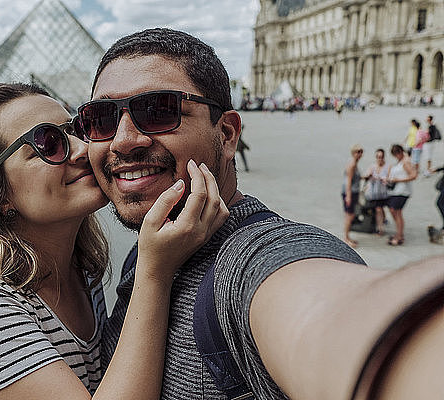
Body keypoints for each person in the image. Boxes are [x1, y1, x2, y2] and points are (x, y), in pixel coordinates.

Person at [81, 28, 444, 400]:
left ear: (226, 134)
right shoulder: (151, 248)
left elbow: (335, 314)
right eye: (100, 118)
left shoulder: (258, 260)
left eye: (159, 110)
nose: (124, 140)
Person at [0, 82, 228, 400]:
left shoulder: (79, 268)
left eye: (77, 129)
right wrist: (154, 273)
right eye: (49, 143)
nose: (83, 149)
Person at [385, 144, 417, 246]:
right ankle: (399, 233)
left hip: (402, 191)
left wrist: (398, 180)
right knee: (394, 211)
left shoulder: (405, 162)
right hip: (397, 191)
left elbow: (413, 175)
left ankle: (399, 236)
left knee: (396, 211)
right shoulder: (401, 161)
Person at [363, 148, 389, 236]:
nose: (379, 159)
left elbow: (390, 178)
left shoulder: (387, 167)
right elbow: (365, 176)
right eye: (378, 157)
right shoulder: (372, 166)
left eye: (381, 157)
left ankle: (380, 227)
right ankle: (380, 225)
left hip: (383, 193)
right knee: (379, 209)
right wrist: (369, 176)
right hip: (373, 193)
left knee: (379, 209)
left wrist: (385, 180)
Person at [342, 144, 363, 247]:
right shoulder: (352, 165)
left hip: (354, 192)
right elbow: (349, 181)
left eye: (360, 152)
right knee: (349, 215)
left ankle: (348, 236)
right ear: (353, 153)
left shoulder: (355, 164)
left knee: (351, 215)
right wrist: (348, 196)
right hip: (350, 192)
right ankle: (345, 238)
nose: (359, 154)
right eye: (357, 152)